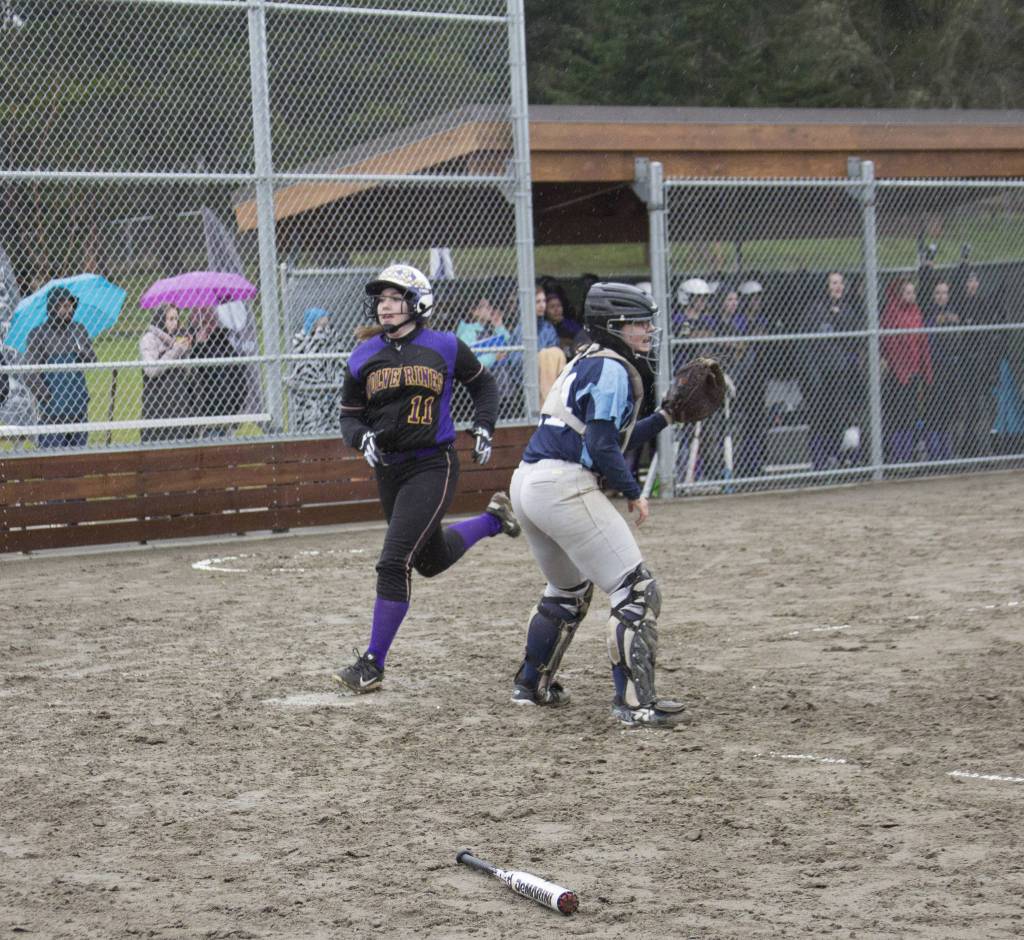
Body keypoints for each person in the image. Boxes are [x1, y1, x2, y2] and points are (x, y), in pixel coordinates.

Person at [332, 263, 522, 694]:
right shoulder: (363, 355)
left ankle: (372, 664)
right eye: (381, 299)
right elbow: (348, 417)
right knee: (430, 560)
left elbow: (485, 387)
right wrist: (360, 438)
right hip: (389, 469)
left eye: (395, 298)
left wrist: (486, 425)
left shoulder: (446, 346)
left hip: (433, 464)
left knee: (393, 562)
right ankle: (494, 519)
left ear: (418, 302)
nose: (386, 307)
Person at [508, 281, 688, 728]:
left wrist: (665, 417)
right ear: (613, 327)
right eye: (638, 323)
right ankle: (634, 703)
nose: (648, 330)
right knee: (637, 591)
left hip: (528, 480)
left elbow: (603, 436)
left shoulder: (586, 360)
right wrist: (632, 491)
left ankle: (531, 685)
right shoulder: (612, 368)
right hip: (561, 484)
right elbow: (604, 446)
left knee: (567, 592)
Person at [802, 271, 865, 469]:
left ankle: (839, 456)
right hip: (820, 373)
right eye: (834, 283)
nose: (838, 287)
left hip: (841, 374)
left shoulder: (846, 311)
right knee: (820, 417)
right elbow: (810, 342)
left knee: (840, 415)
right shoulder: (815, 309)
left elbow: (853, 341)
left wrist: (839, 319)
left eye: (840, 283)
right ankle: (819, 460)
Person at [25, 286, 96, 448]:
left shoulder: (78, 330)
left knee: (78, 461)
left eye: (71, 305)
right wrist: (48, 397)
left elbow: (93, 360)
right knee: (53, 463)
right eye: (64, 306)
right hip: (52, 414)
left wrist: (82, 354)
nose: (70, 309)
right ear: (53, 306)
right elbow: (29, 374)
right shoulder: (38, 334)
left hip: (78, 409)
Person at [880, 278, 933, 462]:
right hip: (896, 372)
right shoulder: (892, 312)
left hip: (914, 372)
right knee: (898, 414)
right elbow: (888, 343)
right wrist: (899, 366)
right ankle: (898, 454)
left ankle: (908, 453)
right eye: (907, 293)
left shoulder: (916, 312)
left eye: (913, 293)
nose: (911, 297)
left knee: (911, 413)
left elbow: (923, 343)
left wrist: (926, 371)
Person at [189, 306, 247, 438]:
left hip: (222, 411)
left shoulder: (226, 347)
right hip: (205, 413)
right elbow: (192, 373)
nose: (207, 325)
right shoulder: (192, 343)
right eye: (203, 322)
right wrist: (198, 345)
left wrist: (236, 410)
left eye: (210, 321)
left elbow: (241, 381)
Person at [139, 303, 193, 443]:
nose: (175, 323)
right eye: (170, 319)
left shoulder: (177, 339)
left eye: (176, 318)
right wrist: (175, 351)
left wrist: (186, 351)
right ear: (160, 320)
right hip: (157, 407)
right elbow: (151, 370)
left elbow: (187, 373)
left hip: (179, 406)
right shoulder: (149, 339)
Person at [288, 307, 344, 435]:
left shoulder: (330, 335)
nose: (326, 324)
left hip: (330, 381)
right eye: (323, 321)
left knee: (332, 417)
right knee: (312, 418)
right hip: (309, 384)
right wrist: (317, 334)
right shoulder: (301, 338)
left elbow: (338, 354)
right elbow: (304, 356)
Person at [544, 282, 583, 355]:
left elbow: (581, 339)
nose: (556, 310)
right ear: (545, 311)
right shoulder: (544, 327)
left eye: (559, 306)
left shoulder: (570, 324)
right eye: (552, 307)